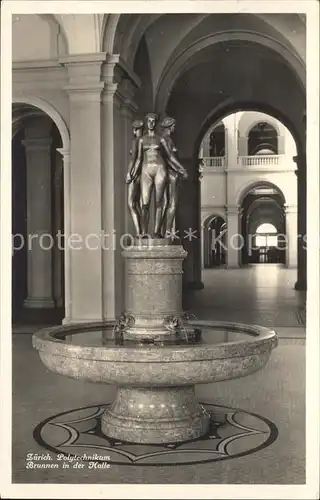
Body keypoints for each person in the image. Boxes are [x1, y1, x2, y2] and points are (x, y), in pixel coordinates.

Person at [132, 113, 188, 238]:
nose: (151, 123)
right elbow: (138, 159)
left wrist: (181, 168)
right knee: (144, 203)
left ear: (156, 123)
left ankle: (157, 232)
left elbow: (169, 157)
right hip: (146, 170)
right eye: (149, 121)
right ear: (146, 123)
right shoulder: (141, 140)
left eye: (153, 121)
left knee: (159, 202)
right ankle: (144, 232)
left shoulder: (161, 139)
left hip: (160, 169)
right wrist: (132, 173)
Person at [161, 116, 186, 237]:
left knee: (165, 203)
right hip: (171, 174)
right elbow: (170, 158)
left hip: (166, 173)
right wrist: (181, 169)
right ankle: (167, 231)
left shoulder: (163, 139)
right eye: (173, 126)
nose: (174, 128)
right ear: (170, 127)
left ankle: (164, 231)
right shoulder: (167, 140)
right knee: (172, 203)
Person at [125, 119, 144, 236]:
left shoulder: (136, 141)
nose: (134, 131)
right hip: (143, 174)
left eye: (135, 129)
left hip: (136, 174)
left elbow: (135, 159)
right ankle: (142, 231)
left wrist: (130, 173)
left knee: (131, 203)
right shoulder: (144, 141)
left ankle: (139, 232)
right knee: (140, 203)